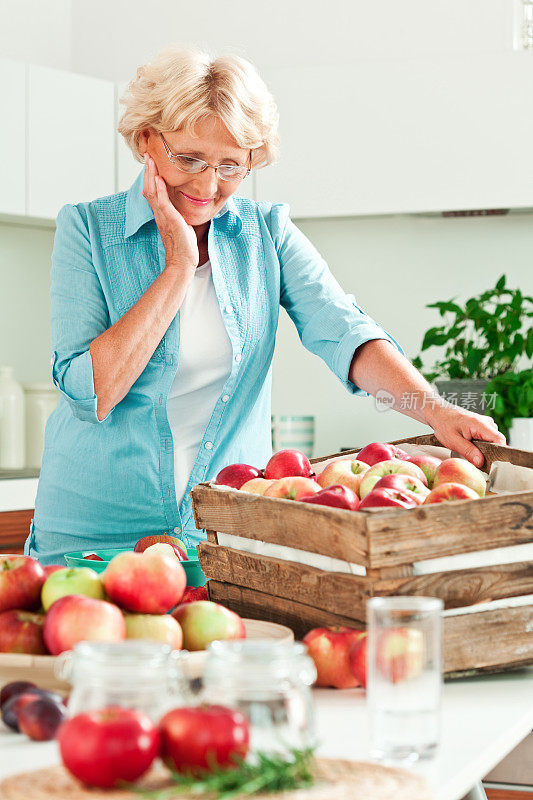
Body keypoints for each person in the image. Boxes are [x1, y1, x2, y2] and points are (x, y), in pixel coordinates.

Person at [27, 45, 505, 565]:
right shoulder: (89, 231)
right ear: (146, 139)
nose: (208, 186)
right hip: (95, 533)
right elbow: (93, 393)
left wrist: (432, 409)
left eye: (231, 166)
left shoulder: (267, 233)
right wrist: (178, 268)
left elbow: (342, 329)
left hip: (225, 528)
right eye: (189, 159)